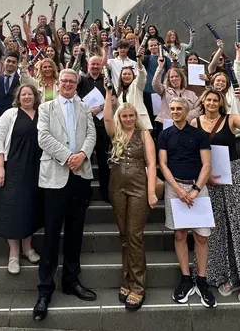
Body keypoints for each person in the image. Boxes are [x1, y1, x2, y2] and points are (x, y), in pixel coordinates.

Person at [190, 89, 240, 302]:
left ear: (221, 102)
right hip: (207, 178)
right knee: (214, 228)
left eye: (216, 99)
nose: (212, 102)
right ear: (203, 101)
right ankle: (219, 275)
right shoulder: (195, 123)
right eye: (209, 99)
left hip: (233, 174)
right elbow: (190, 152)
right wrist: (202, 177)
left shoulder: (231, 119)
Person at [33, 69, 97, 321]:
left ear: (76, 84)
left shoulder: (83, 107)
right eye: (65, 81)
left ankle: (71, 281)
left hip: (80, 176)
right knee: (51, 235)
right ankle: (44, 290)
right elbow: (43, 137)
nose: (68, 84)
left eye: (72, 81)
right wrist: (67, 156)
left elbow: (91, 134)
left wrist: (81, 154)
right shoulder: (47, 108)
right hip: (55, 176)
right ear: (58, 84)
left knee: (75, 232)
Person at [103, 80, 158, 310]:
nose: (127, 119)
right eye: (124, 116)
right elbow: (106, 118)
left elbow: (152, 163)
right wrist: (108, 93)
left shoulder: (144, 134)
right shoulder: (115, 133)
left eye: (131, 116)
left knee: (135, 236)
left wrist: (152, 191)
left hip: (138, 187)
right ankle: (127, 279)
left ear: (136, 117)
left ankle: (138, 286)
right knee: (124, 235)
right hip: (117, 187)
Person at [158, 97, 216, 308]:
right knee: (180, 234)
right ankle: (185, 277)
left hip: (197, 188)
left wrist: (195, 190)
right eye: (172, 108)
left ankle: (201, 279)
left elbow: (207, 165)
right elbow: (163, 165)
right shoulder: (164, 135)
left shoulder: (199, 134)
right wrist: (179, 190)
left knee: (201, 237)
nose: (175, 111)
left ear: (187, 110)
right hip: (175, 189)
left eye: (179, 108)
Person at [0, 84, 42, 274]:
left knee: (30, 207)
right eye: (23, 94)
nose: (27, 97)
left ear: (35, 96)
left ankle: (27, 248)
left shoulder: (42, 114)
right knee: (12, 208)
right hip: (13, 168)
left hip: (36, 169)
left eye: (30, 94)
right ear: (18, 97)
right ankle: (13, 253)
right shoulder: (10, 114)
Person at [77, 55, 111, 202]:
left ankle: (105, 192)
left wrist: (100, 107)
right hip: (85, 126)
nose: (95, 67)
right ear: (88, 66)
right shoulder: (82, 81)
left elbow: (114, 99)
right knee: (86, 160)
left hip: (103, 125)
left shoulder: (107, 80)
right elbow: (74, 96)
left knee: (104, 161)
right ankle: (85, 193)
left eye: (98, 64)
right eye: (93, 64)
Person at [152, 58, 200, 135]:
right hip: (165, 124)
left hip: (185, 125)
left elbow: (199, 108)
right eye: (171, 77)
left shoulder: (191, 94)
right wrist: (160, 67)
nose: (174, 79)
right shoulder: (164, 90)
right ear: (169, 80)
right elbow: (155, 84)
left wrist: (188, 116)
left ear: (181, 78)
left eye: (176, 76)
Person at [116, 56, 153, 131]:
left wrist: (139, 62)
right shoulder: (119, 91)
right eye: (124, 74)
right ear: (121, 76)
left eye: (129, 74)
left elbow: (142, 75)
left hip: (141, 123)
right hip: (126, 125)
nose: (127, 76)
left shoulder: (136, 85)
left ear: (133, 76)